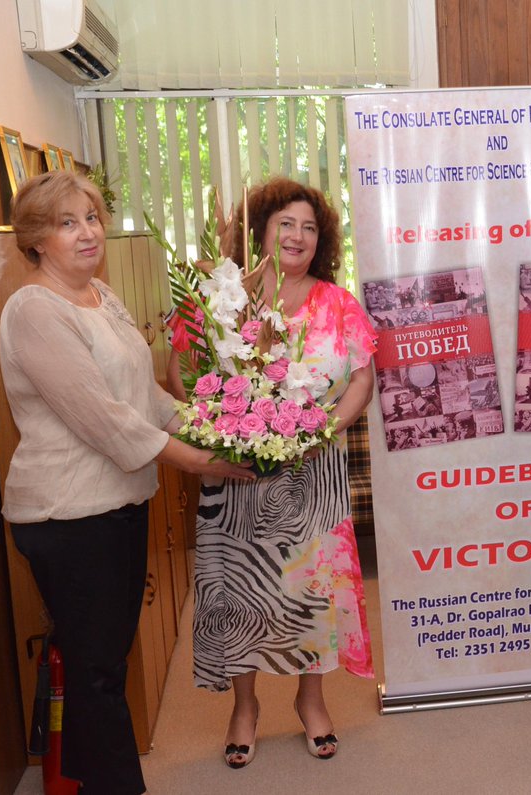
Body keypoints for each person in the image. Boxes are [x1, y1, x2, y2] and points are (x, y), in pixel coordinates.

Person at [0, 170, 255, 795]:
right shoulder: (34, 310)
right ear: (35, 239)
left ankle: (91, 782)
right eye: (67, 223)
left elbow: (144, 397)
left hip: (116, 505)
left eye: (91, 217)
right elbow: (106, 421)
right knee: (97, 673)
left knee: (102, 664)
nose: (88, 232)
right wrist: (201, 463)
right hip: (68, 515)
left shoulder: (100, 295)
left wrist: (220, 429)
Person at [167, 177, 377, 768]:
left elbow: (362, 379)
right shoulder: (220, 298)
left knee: (313, 592)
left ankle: (311, 700)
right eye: (286, 223)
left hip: (315, 475)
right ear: (260, 231)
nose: (298, 236)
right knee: (239, 591)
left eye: (309, 227)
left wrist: (322, 432)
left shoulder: (338, 304)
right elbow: (181, 371)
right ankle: (245, 706)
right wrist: (220, 423)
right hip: (236, 473)